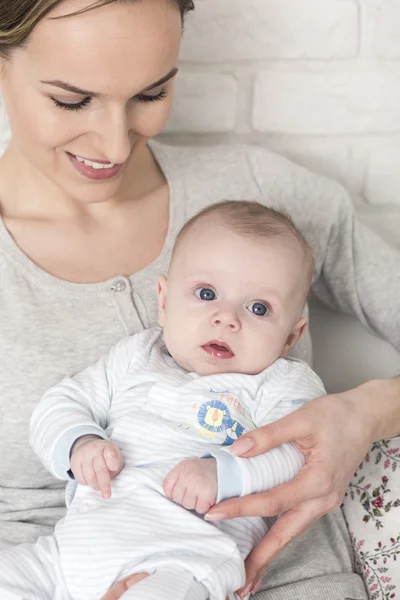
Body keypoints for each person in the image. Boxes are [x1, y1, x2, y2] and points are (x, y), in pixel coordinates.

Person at [0, 0, 398, 599]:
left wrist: (366, 412)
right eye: (71, 99)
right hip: (58, 569)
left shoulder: (266, 201)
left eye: (151, 93)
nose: (114, 142)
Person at [3, 201, 324, 600]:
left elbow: (299, 450)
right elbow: (61, 402)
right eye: (206, 293)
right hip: (70, 552)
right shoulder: (137, 356)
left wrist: (223, 473)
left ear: (292, 336)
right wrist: (79, 443)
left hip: (184, 557)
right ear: (165, 300)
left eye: (258, 308)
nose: (227, 318)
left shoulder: (282, 382)